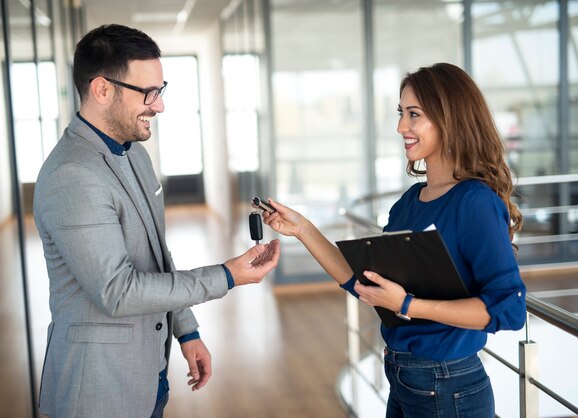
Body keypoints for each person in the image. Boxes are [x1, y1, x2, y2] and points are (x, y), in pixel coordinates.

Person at [33, 24, 280, 418]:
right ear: (102, 90)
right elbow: (119, 291)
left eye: (160, 90)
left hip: (147, 374)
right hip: (97, 391)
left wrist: (187, 330)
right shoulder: (72, 176)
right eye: (148, 93)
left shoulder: (133, 154)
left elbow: (156, 257)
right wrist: (227, 275)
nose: (159, 105)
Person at [262, 62, 526, 417]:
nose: (401, 126)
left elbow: (508, 310)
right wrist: (303, 229)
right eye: (401, 113)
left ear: (450, 119)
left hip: (448, 385)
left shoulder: (475, 202)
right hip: (404, 377)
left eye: (413, 114)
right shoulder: (409, 203)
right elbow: (363, 283)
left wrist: (407, 305)